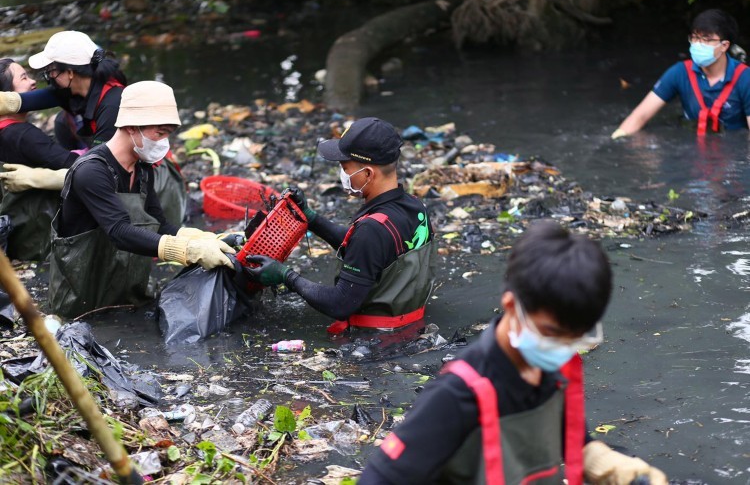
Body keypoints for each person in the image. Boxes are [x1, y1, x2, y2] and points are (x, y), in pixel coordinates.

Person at [359, 221, 668, 485]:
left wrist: (611, 466)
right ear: (511, 307)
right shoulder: (457, 395)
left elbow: (573, 442)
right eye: (552, 333)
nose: (562, 348)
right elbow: (380, 478)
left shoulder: (556, 369)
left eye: (576, 337)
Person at [48, 80, 235, 319]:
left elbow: (159, 224)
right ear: (131, 127)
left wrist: (203, 239)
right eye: (159, 133)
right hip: (82, 299)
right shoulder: (91, 171)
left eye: (167, 134)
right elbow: (118, 231)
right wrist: (187, 251)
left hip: (125, 294)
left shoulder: (143, 168)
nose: (164, 143)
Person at [245, 117, 435, 334]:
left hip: (378, 342)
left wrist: (286, 276)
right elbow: (367, 253)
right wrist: (311, 218)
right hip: (412, 325)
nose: (342, 175)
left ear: (368, 173)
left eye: (345, 167)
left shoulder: (371, 230)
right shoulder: (415, 206)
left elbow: (340, 304)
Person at [0, 30, 187, 226]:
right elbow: (20, 101)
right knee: (62, 123)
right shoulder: (71, 88)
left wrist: (40, 178)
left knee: (143, 224)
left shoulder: (112, 104)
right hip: (108, 163)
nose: (48, 77)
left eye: (52, 71)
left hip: (145, 178)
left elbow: (105, 172)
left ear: (70, 72)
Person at [612, 9, 750, 138]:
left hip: (733, 150)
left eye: (706, 39)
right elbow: (639, 116)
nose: (698, 44)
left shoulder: (745, 78)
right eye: (695, 38)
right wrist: (616, 140)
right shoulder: (680, 72)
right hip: (691, 147)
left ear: (724, 46)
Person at [0, 59, 82, 260]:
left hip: (13, 233)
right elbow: (77, 166)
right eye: (24, 78)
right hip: (38, 239)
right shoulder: (24, 136)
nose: (33, 82)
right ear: (7, 94)